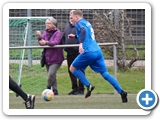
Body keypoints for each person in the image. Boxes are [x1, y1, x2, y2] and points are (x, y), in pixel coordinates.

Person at [68, 9, 128, 102]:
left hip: (88, 52)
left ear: (76, 17)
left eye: (71, 18)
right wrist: (75, 36)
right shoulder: (87, 22)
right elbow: (87, 34)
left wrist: (80, 44)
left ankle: (88, 85)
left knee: (73, 68)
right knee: (105, 74)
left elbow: (83, 31)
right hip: (97, 51)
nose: (70, 20)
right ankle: (122, 92)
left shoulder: (78, 23)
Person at [36, 17, 64, 95]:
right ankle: (55, 90)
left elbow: (55, 42)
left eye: (48, 23)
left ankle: (48, 88)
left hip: (56, 58)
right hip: (47, 57)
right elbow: (42, 42)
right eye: (46, 23)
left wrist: (46, 42)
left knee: (51, 74)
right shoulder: (45, 32)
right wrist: (39, 37)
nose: (47, 25)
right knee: (52, 75)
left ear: (53, 24)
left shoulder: (58, 33)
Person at [62, 11, 84, 95]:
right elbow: (64, 37)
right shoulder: (67, 27)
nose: (70, 19)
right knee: (71, 70)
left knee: (80, 70)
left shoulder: (81, 26)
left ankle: (81, 89)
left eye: (72, 17)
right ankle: (75, 88)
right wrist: (64, 47)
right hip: (69, 52)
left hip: (79, 52)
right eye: (70, 17)